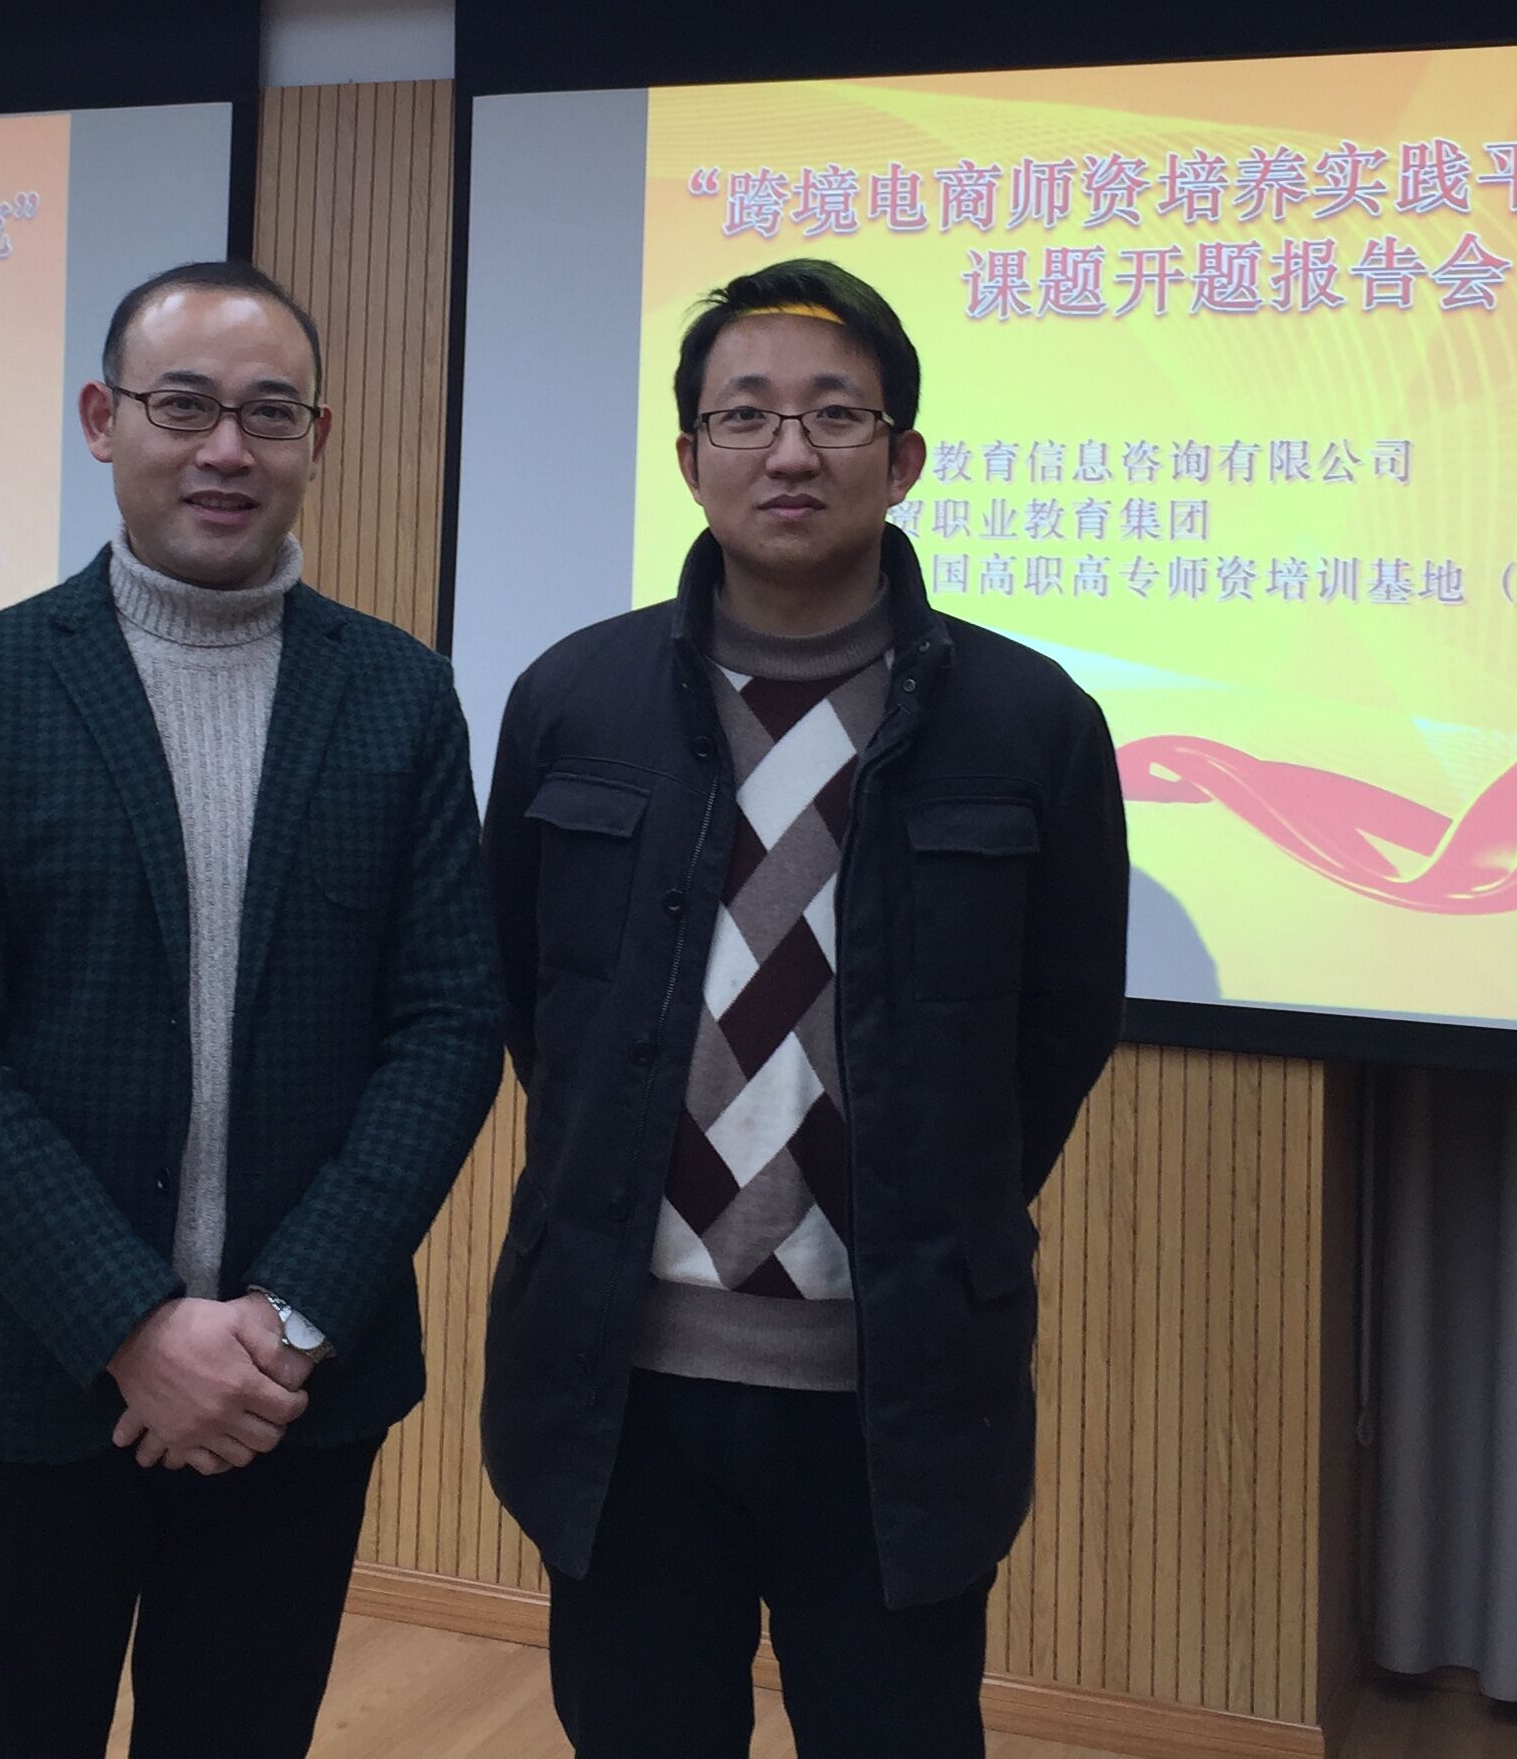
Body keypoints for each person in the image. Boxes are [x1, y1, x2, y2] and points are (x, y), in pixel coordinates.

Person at [480, 258, 1128, 1757]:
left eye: (837, 415)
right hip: (622, 1384)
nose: (790, 451)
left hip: (899, 1390)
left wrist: (926, 1202)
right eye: (747, 415)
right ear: (689, 452)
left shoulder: (1030, 723)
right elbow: (531, 1000)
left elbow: (1060, 1026)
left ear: (902, 460)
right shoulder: (573, 701)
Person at [0, 258, 500, 1759]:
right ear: (104, 420)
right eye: (184, 406)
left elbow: (447, 1031)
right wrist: (134, 1327)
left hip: (292, 1397)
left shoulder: (399, 696)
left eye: (269, 414)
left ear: (316, 440)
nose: (228, 448)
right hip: (25, 1377)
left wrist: (280, 1323)